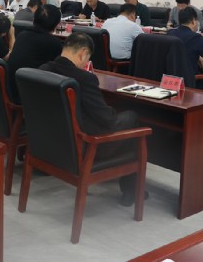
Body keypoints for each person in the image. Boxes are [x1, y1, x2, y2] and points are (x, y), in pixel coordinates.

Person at [40, 33, 142, 206]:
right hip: (86, 147)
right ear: (83, 53)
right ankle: (131, 190)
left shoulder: (43, 70)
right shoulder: (84, 78)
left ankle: (130, 188)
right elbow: (107, 119)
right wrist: (112, 110)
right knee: (132, 118)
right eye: (87, 59)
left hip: (54, 143)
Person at [7, 4, 63, 101]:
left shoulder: (22, 35)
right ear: (56, 24)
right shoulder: (54, 43)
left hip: (11, 89)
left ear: (34, 19)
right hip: (30, 96)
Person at [168, 7, 203, 89]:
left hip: (172, 82)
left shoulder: (170, 33)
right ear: (193, 21)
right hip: (192, 83)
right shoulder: (195, 37)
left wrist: (197, 56)